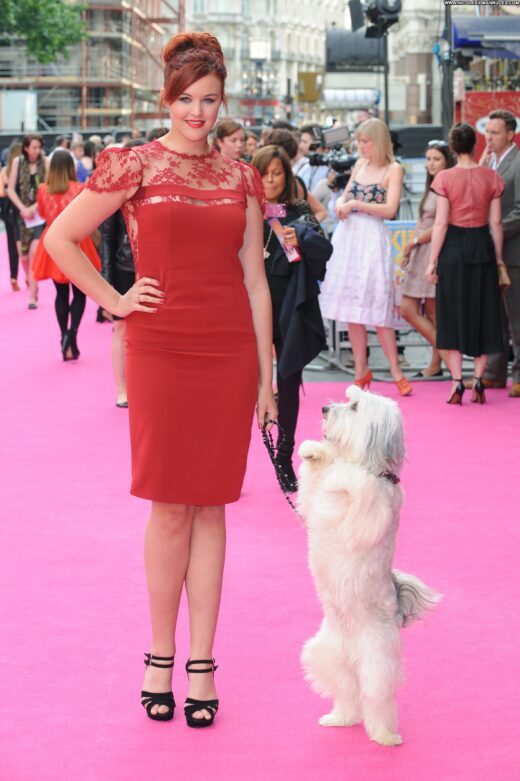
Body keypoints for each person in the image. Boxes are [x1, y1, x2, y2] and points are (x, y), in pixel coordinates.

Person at [44, 31, 276, 728]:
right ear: (166, 99)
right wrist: (114, 300)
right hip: (162, 347)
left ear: (223, 102)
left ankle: (202, 661)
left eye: (211, 100)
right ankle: (159, 653)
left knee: (213, 506)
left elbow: (256, 281)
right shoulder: (134, 165)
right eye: (187, 99)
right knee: (170, 505)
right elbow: (59, 239)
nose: (198, 113)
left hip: (229, 351)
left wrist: (266, 379)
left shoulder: (242, 177)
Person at [252, 144, 333, 491]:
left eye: (277, 173)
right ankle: (232, 460)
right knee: (244, 385)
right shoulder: (244, 208)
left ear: (287, 176)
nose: (270, 180)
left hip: (288, 307)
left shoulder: (297, 210)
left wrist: (300, 237)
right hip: (248, 307)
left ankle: (284, 458)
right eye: (264, 173)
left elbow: (323, 251)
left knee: (287, 383)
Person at [319, 118, 412, 396]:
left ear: (379, 141)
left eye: (366, 141)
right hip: (349, 238)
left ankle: (396, 371)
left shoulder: (394, 169)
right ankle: (361, 370)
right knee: (352, 309)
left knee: (378, 307)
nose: (361, 146)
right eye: (359, 141)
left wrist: (355, 204)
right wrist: (341, 204)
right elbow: (344, 196)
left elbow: (390, 209)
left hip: (372, 238)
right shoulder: (359, 164)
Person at [426, 123, 505, 405]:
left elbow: (440, 223)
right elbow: (496, 222)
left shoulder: (444, 179)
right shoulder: (492, 177)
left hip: (453, 249)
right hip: (483, 245)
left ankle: (457, 381)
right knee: (484, 310)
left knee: (452, 312)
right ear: (474, 144)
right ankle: (479, 379)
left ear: (452, 147)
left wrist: (432, 261)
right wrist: (498, 259)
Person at [32, 150, 101, 360]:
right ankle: (72, 335)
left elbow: (42, 214)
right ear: (71, 166)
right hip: (77, 241)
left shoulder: (43, 190)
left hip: (53, 241)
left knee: (60, 294)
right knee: (79, 293)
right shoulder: (80, 189)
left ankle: (63, 335)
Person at [400, 141, 456, 378]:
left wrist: (413, 243)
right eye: (428, 159)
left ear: (447, 161)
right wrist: (413, 246)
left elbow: (442, 223)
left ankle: (445, 359)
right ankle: (440, 361)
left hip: (433, 249)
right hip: (423, 250)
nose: (430, 163)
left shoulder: (446, 185)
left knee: (426, 310)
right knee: (422, 310)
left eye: (436, 159)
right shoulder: (433, 184)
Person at [99, 139, 145, 407]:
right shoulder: (116, 192)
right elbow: (107, 239)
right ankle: (122, 389)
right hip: (123, 268)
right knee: (121, 328)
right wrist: (105, 285)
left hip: (153, 269)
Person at [479, 109, 520, 398]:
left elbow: (519, 210)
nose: (488, 137)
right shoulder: (490, 162)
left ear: (510, 134)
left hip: (513, 251)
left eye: (494, 132)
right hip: (490, 250)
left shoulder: (517, 162)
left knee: (516, 317)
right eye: (487, 132)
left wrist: (494, 232)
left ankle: (518, 375)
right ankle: (494, 373)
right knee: (494, 316)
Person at [7, 134, 48, 309]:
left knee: (34, 254)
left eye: (39, 147)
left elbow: (49, 188)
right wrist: (23, 208)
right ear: (26, 148)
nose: (37, 151)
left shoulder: (45, 162)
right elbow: (10, 189)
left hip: (39, 216)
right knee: (23, 257)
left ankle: (32, 296)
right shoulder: (18, 162)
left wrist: (34, 207)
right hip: (21, 216)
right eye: (34, 147)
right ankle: (31, 281)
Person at [0, 141, 22, 290]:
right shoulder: (24, 171)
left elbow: (1, 193)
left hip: (8, 212)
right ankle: (29, 274)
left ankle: (13, 276)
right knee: (26, 243)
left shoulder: (4, 172)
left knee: (11, 246)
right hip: (21, 210)